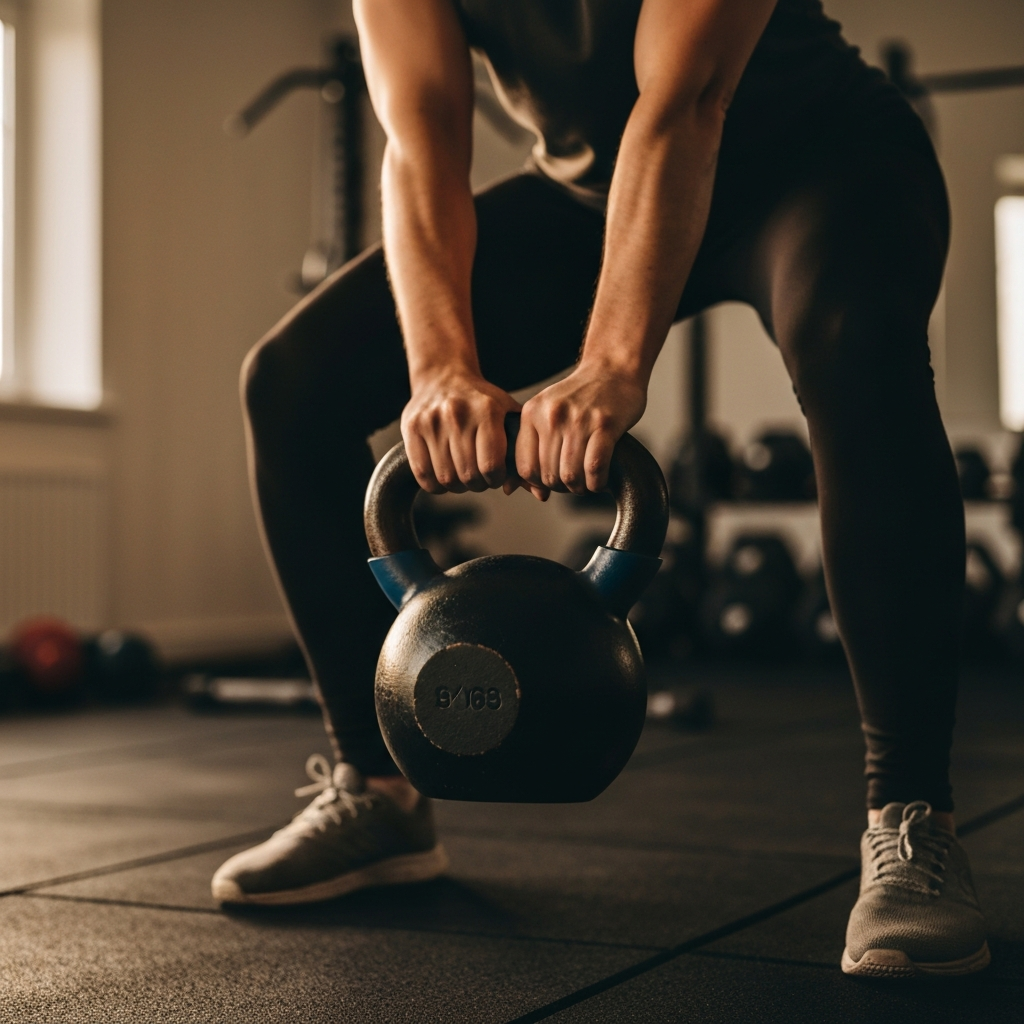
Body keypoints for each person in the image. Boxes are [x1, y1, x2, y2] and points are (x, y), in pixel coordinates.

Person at [211, 0, 989, 977]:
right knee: (291, 384)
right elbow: (419, 145)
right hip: (591, 197)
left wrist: (611, 365)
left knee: (854, 345)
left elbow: (685, 100)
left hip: (820, 163)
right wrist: (441, 369)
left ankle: (912, 818)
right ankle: (380, 791)